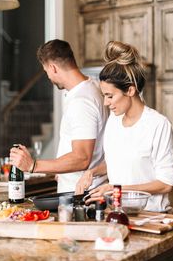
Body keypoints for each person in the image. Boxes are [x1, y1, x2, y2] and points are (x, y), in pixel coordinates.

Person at [77, 40, 173, 212]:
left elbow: (166, 184)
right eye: (104, 96)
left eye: (109, 96)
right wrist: (92, 172)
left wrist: (117, 189)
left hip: (152, 217)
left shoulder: (158, 125)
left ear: (130, 91)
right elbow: (118, 163)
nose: (106, 103)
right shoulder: (114, 121)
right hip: (118, 213)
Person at [9, 39, 108, 193]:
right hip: (84, 187)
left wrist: (33, 165)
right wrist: (60, 171)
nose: (48, 76)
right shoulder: (92, 86)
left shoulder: (81, 101)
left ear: (53, 68)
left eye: (46, 71)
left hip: (80, 193)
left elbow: (81, 157)